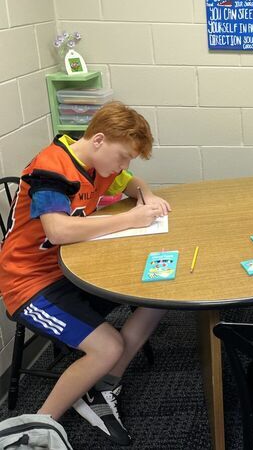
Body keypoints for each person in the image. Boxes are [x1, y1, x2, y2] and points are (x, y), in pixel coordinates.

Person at [0, 102, 170, 446]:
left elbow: (131, 181)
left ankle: (102, 388)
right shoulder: (52, 166)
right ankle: (39, 428)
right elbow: (59, 230)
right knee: (108, 346)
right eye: (122, 156)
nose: (123, 165)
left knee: (161, 294)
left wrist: (146, 195)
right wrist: (129, 219)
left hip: (74, 269)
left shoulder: (101, 163)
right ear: (99, 140)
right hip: (28, 282)